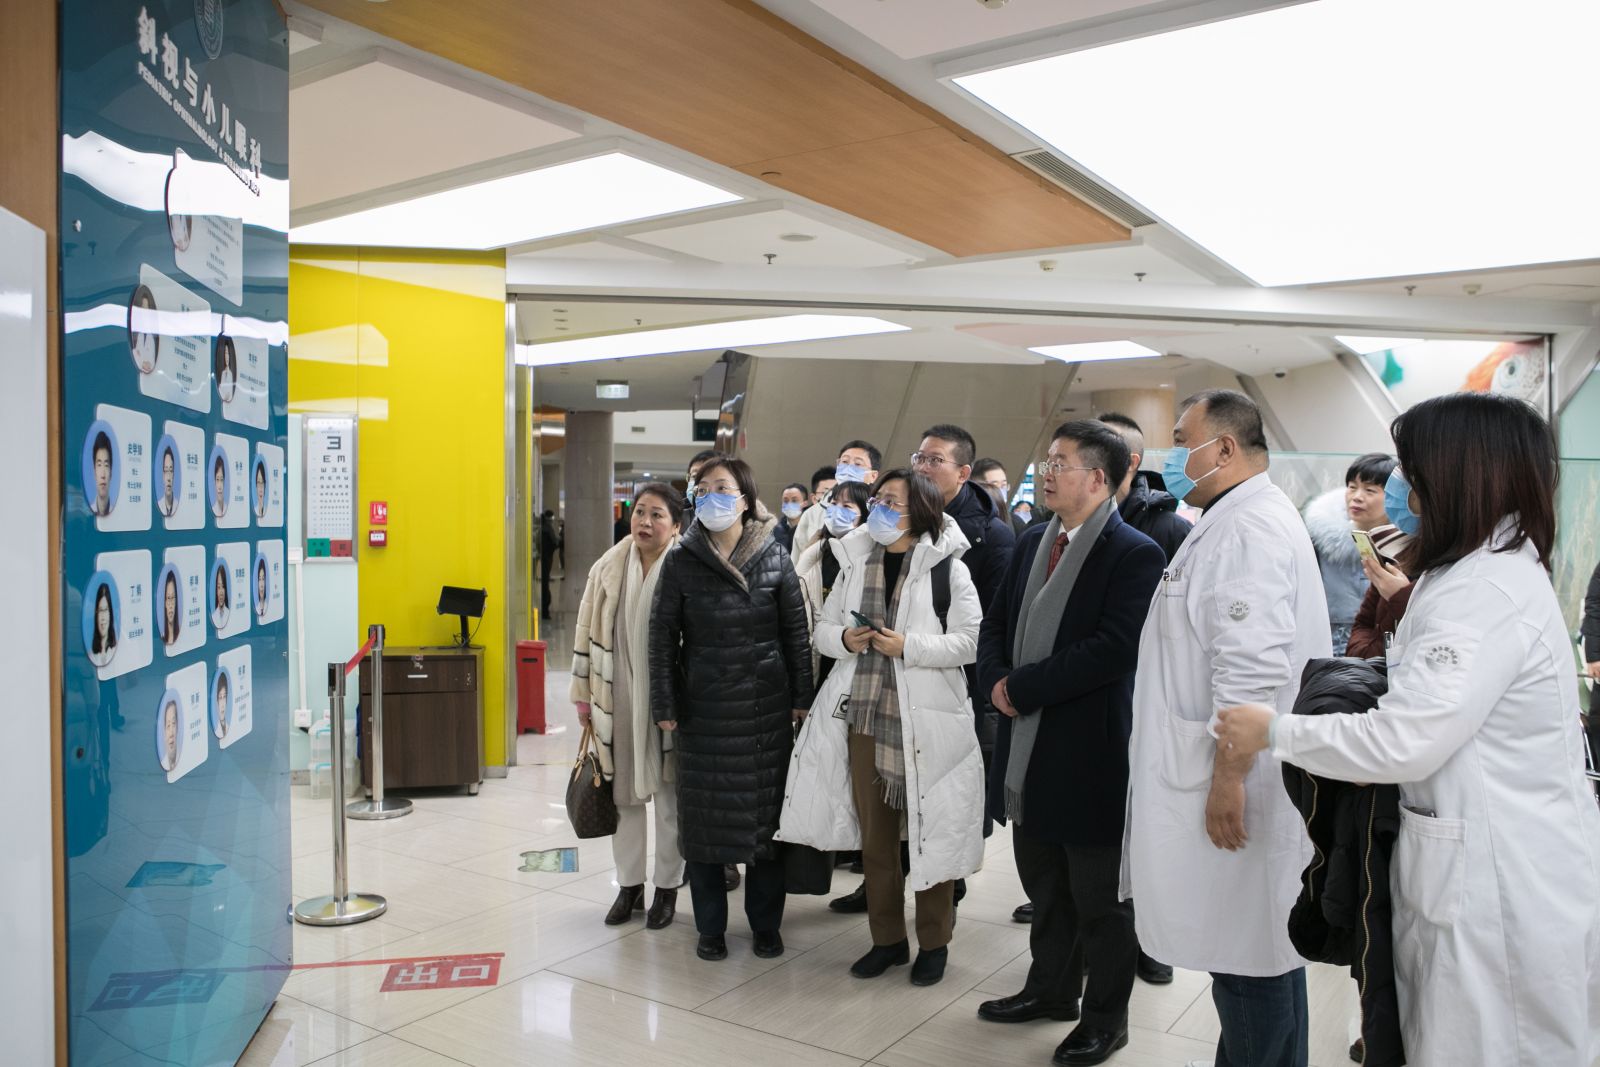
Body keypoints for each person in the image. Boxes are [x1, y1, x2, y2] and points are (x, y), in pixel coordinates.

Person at [1216, 392, 1600, 1067]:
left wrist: (1274, 731)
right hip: (1485, 855)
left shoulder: (1482, 589)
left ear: (1458, 473)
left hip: (1496, 879)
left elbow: (1404, 741)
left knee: (1491, 1044)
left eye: (1410, 469)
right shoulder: (1483, 567)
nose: (1400, 486)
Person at [1123, 389, 1328, 1067]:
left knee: (1246, 958)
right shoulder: (1236, 516)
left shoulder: (1249, 529)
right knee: (1262, 950)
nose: (1174, 456)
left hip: (1238, 777)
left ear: (1226, 447)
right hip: (1230, 764)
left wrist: (1227, 781)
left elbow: (1249, 670)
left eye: (1184, 441)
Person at [975, 422, 1165, 1066]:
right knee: (1045, 885)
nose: (1046, 472)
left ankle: (1106, 1020)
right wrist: (995, 679)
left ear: (1099, 478)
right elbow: (997, 620)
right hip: (1027, 747)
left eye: (1060, 463)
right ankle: (1051, 990)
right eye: (1046, 461)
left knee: (1100, 901)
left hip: (1090, 753)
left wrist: (1021, 688)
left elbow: (1114, 648)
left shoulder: (1133, 552)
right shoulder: (1035, 539)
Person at [783, 469, 985, 988]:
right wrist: (844, 639)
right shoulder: (855, 559)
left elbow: (970, 641)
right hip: (864, 717)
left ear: (920, 511)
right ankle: (887, 940)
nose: (879, 509)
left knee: (930, 835)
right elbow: (822, 629)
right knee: (876, 842)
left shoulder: (947, 568)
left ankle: (934, 943)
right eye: (877, 500)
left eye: (892, 501)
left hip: (928, 721)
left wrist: (908, 647)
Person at [649, 456, 814, 962]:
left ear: (745, 498)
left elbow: (795, 633)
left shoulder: (775, 555)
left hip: (764, 709)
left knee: (766, 827)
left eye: (722, 488)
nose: (711, 496)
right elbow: (661, 637)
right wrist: (665, 702)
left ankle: (766, 925)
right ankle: (710, 928)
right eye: (703, 489)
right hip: (704, 708)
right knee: (705, 826)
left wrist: (802, 698)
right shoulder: (681, 558)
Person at [1092, 411, 1193, 980]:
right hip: (1091, 700)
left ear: (1125, 463)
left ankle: (1151, 942)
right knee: (1099, 832)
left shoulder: (1167, 528)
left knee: (1148, 827)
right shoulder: (1068, 527)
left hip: (1147, 697)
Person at [572, 483, 688, 930]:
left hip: (671, 702)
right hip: (617, 696)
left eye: (657, 515)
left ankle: (667, 888)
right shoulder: (608, 566)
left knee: (671, 802)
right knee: (624, 799)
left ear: (675, 526)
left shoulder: (687, 567)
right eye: (640, 512)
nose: (645, 522)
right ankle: (629, 886)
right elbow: (585, 630)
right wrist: (583, 694)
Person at [1303, 453, 1397, 652]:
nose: (1357, 497)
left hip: (1382, 652)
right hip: (1326, 649)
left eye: (1370, 490)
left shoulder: (1406, 547)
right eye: (1352, 487)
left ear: (1395, 495)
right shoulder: (1318, 540)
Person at [794, 479, 873, 679]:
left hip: (851, 656)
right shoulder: (816, 554)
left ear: (865, 514)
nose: (837, 510)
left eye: (847, 506)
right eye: (834, 504)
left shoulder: (870, 560)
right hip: (814, 653)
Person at [1096, 412, 1192, 561]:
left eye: (1100, 451)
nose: (1087, 459)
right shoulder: (1071, 521)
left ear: (1131, 462)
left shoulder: (1173, 530)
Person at [790, 440, 881, 565]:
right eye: (844, 462)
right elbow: (796, 559)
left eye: (858, 464)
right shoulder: (812, 513)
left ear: (873, 476)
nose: (848, 468)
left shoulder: (880, 512)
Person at [972, 458, 1024, 536]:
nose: (1000, 491)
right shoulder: (965, 522)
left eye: (1003, 485)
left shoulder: (1016, 523)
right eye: (994, 486)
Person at [128, 284, 159, 373]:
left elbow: (150, 365)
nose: (145, 310)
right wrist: (143, 362)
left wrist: (143, 361)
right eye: (143, 306)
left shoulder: (152, 335)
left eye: (146, 307)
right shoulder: (136, 331)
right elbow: (135, 353)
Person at [88, 583, 117, 668]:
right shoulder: (90, 655)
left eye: (106, 610)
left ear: (110, 613)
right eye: (100, 610)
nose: (103, 618)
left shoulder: (118, 648)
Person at [773, 482, 808, 552]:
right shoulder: (775, 531)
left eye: (794, 501)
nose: (789, 504)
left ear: (805, 504)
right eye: (785, 501)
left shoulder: (812, 527)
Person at [539, 510, 560, 618]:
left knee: (544, 583)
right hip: (547, 558)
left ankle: (544, 609)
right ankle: (545, 611)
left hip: (543, 558)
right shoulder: (548, 529)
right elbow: (555, 543)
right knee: (545, 584)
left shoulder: (542, 528)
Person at [89, 432, 114, 517]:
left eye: (106, 465)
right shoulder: (88, 513)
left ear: (111, 473)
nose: (103, 475)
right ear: (94, 472)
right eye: (99, 465)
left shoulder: (117, 513)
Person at [161, 570, 181, 648]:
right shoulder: (162, 637)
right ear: (164, 603)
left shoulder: (180, 634)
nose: (171, 605)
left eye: (173, 597)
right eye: (168, 598)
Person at [215, 336, 238, 403]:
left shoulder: (230, 373)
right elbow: (221, 390)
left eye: (228, 353)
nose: (227, 356)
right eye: (225, 353)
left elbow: (229, 394)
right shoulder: (223, 373)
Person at [157, 447, 177, 518]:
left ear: (174, 474)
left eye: (171, 471)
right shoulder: (159, 505)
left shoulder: (178, 505)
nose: (168, 478)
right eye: (166, 471)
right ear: (162, 475)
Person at [161, 700, 180, 772]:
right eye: (168, 726)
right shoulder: (163, 764)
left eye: (173, 723)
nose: (171, 733)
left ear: (177, 727)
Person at [212, 565, 230, 630]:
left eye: (223, 587)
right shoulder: (214, 615)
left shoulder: (229, 613)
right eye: (218, 587)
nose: (221, 593)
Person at [214, 671, 231, 740]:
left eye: (224, 697)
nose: (223, 705)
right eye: (220, 697)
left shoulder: (228, 726)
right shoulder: (216, 729)